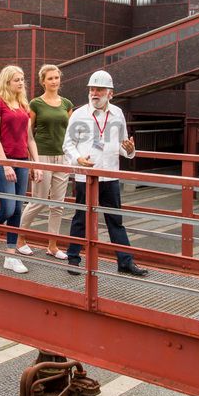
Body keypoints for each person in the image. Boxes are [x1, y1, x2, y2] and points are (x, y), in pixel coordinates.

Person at [63, 70, 148, 277]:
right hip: (87, 176)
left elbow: (121, 145)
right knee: (81, 218)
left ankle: (125, 262)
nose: (94, 93)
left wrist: (129, 150)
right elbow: (68, 145)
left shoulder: (118, 113)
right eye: (92, 89)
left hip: (110, 174)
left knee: (115, 219)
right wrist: (78, 160)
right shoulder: (79, 114)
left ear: (110, 93)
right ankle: (73, 259)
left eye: (99, 89)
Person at [0, 65, 43, 274]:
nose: (21, 82)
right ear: (6, 82)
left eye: (22, 79)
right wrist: (5, 164)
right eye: (16, 79)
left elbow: (29, 138)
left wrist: (36, 163)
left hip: (22, 160)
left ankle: (11, 255)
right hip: (2, 159)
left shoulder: (23, 104)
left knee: (18, 210)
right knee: (8, 208)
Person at [17, 65, 73, 259]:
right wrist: (34, 161)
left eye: (57, 77)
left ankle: (53, 245)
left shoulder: (67, 104)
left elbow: (70, 133)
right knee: (38, 201)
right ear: (43, 81)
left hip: (62, 158)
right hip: (42, 156)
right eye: (50, 78)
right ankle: (20, 239)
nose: (54, 81)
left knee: (58, 204)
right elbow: (28, 134)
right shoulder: (36, 104)